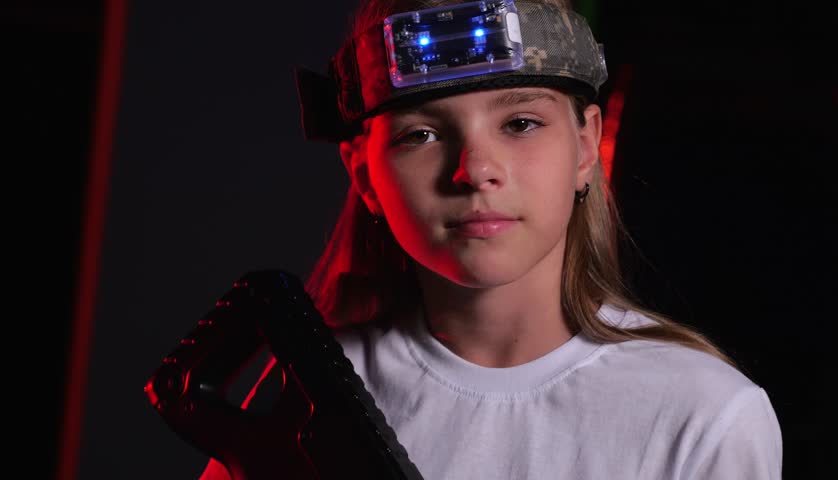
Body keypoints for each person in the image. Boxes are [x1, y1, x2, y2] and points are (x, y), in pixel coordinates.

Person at [199, 0, 783, 478]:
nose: (475, 169)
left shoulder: (703, 416)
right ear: (363, 176)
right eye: (422, 133)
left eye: (521, 123)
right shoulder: (308, 395)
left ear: (585, 148)